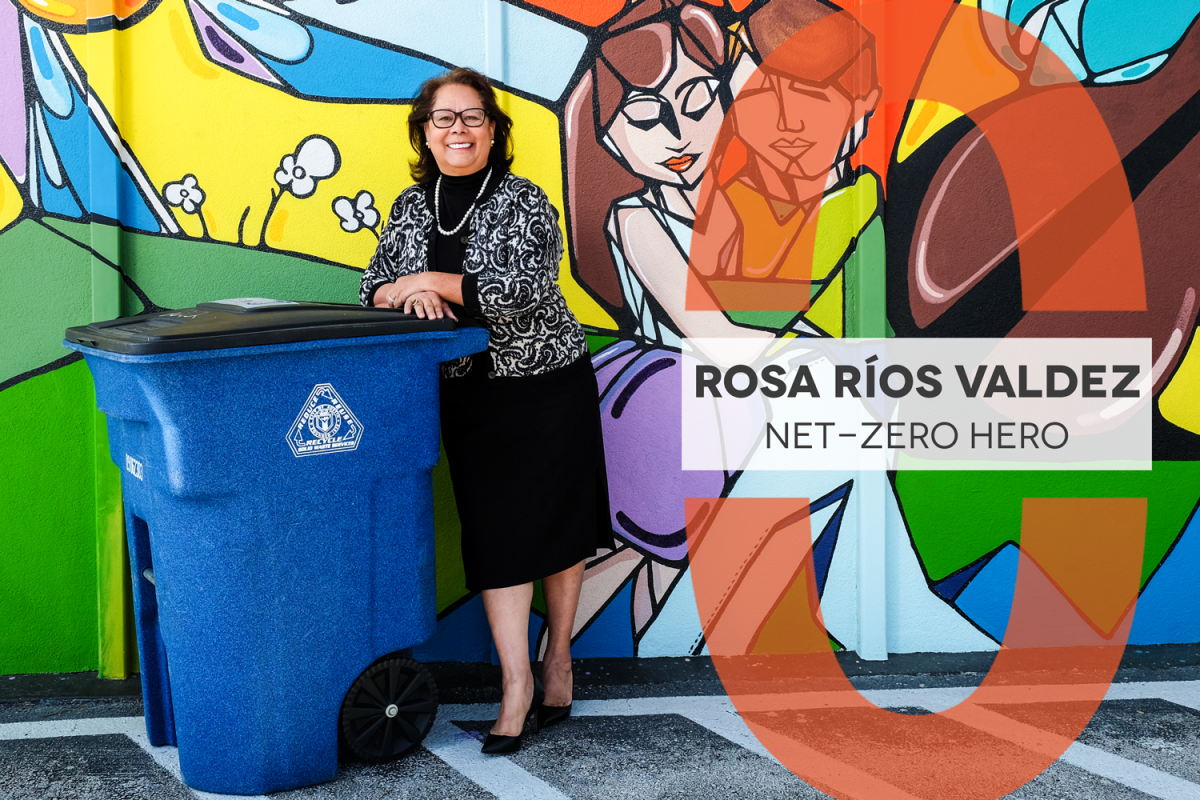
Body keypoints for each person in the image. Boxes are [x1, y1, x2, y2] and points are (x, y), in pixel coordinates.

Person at [359, 67, 613, 754]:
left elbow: (519, 291)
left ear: (495, 130)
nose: (458, 131)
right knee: (497, 538)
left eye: (472, 118)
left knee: (559, 529)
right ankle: (516, 684)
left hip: (545, 384)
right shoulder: (412, 208)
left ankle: (557, 659)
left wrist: (430, 282)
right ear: (424, 133)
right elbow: (372, 286)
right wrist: (403, 292)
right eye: (443, 119)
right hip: (469, 394)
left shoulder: (525, 201)